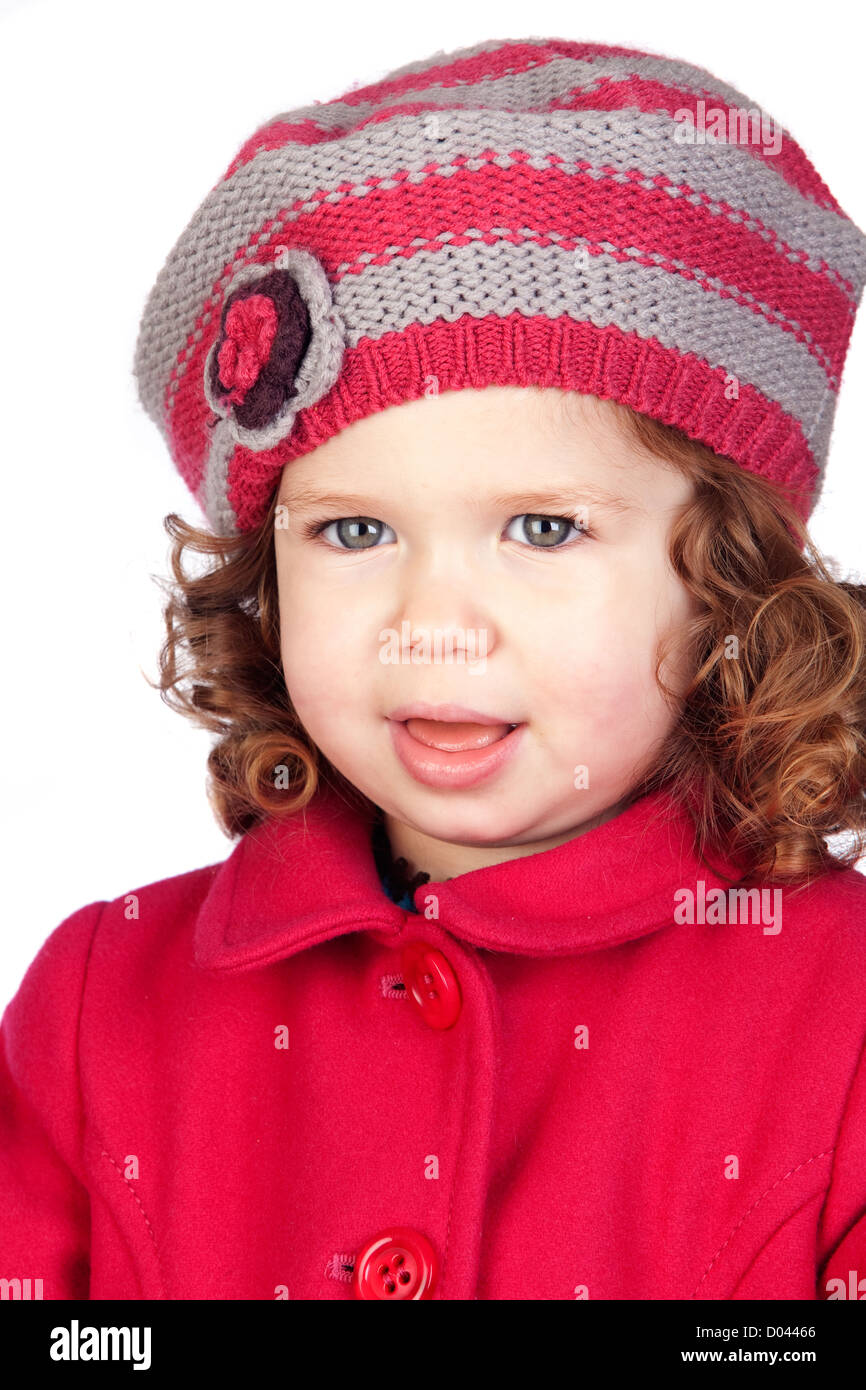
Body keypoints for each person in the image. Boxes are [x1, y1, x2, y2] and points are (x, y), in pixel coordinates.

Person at [2, 35, 866, 1301]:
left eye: (542, 529)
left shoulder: (839, 1017)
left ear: (730, 575)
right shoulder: (102, 1005)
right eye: (355, 533)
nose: (434, 624)